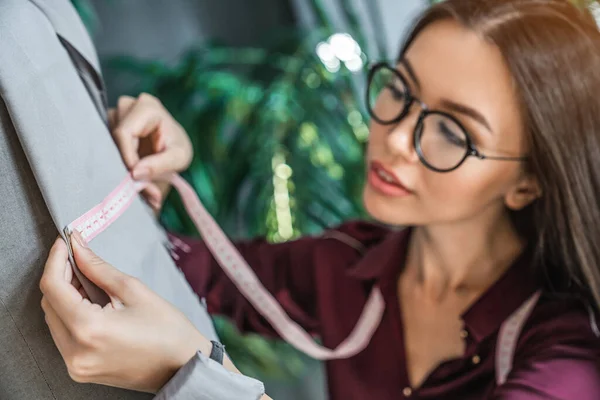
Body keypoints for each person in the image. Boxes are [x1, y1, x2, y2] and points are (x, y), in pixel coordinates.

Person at [40, 0, 600, 398]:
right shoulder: (350, 265)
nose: (396, 139)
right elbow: (187, 266)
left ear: (529, 182)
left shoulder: (563, 368)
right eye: (400, 90)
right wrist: (146, 178)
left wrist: (188, 376)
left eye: (453, 133)